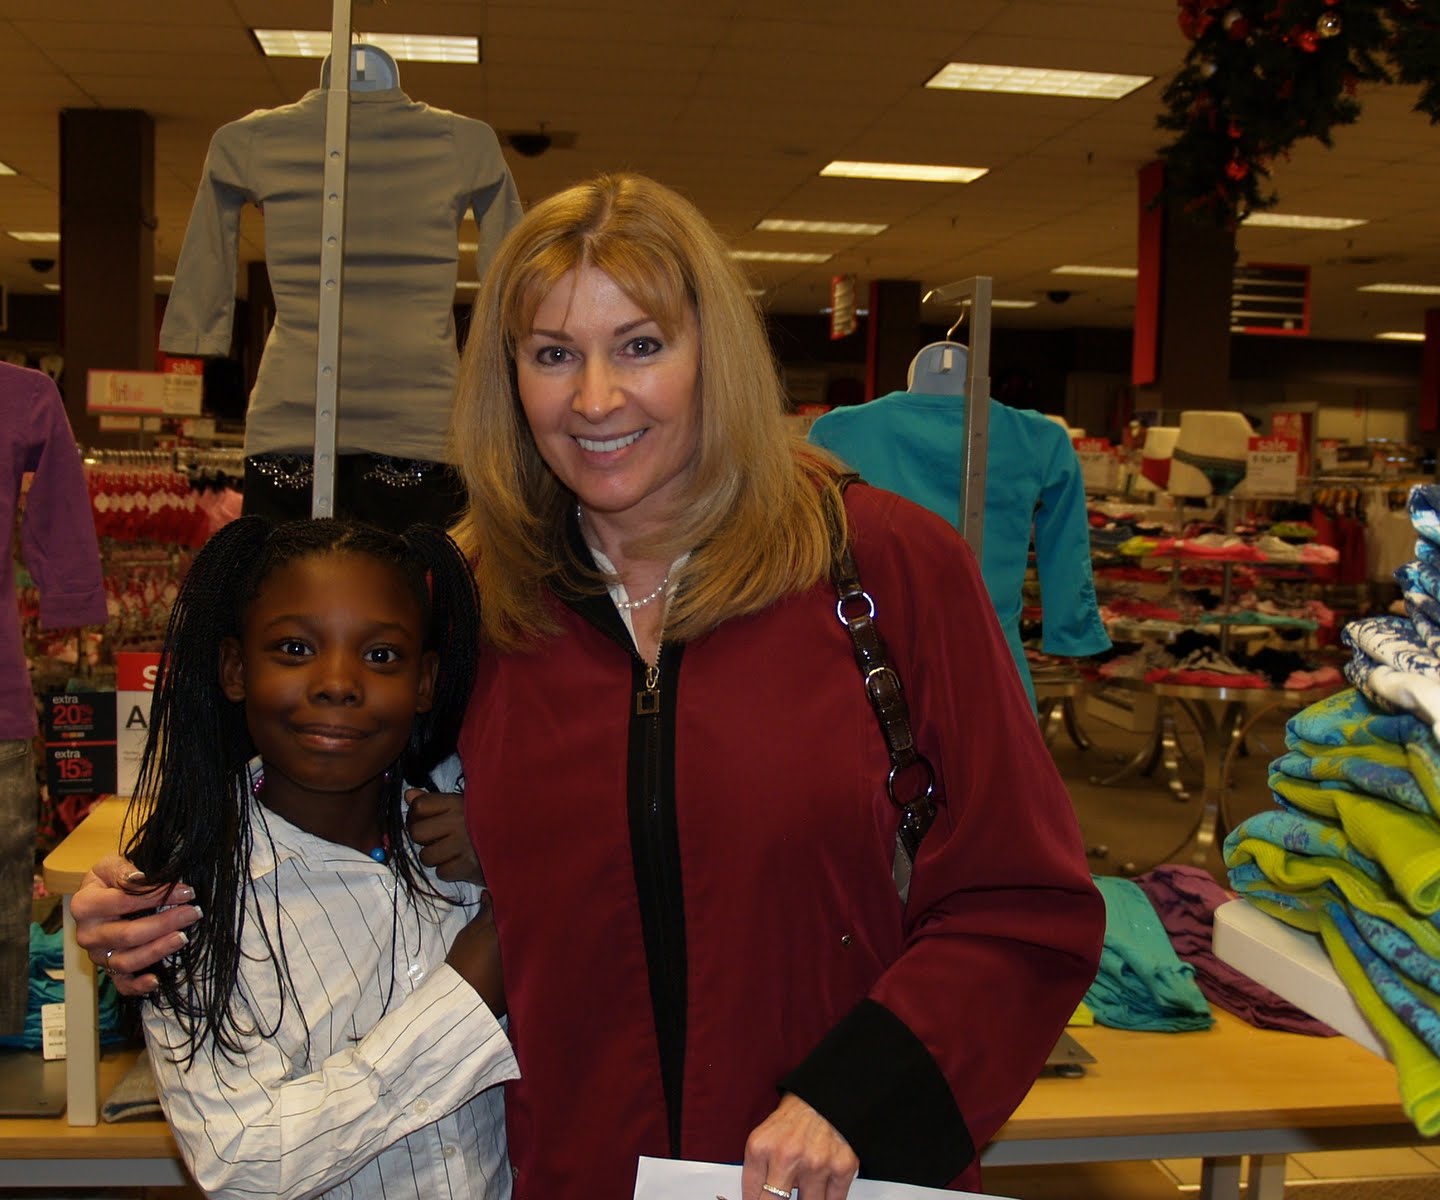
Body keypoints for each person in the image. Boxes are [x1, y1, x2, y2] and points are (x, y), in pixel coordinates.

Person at [74, 173, 1105, 1200]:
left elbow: (1023, 904)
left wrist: (858, 1099)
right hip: (565, 1171)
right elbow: (313, 788)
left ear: (713, 356)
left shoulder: (881, 568)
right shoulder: (467, 601)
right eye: (554, 354)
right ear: (509, 376)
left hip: (826, 1174)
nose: (597, 399)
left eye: (641, 346)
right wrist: (156, 891)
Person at [119, 515, 517, 1200]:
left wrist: (510, 855)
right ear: (236, 669)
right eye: (295, 648)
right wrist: (468, 995)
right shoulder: (190, 906)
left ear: (425, 680)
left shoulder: (467, 830)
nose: (338, 683)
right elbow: (244, 1165)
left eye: (382, 656)